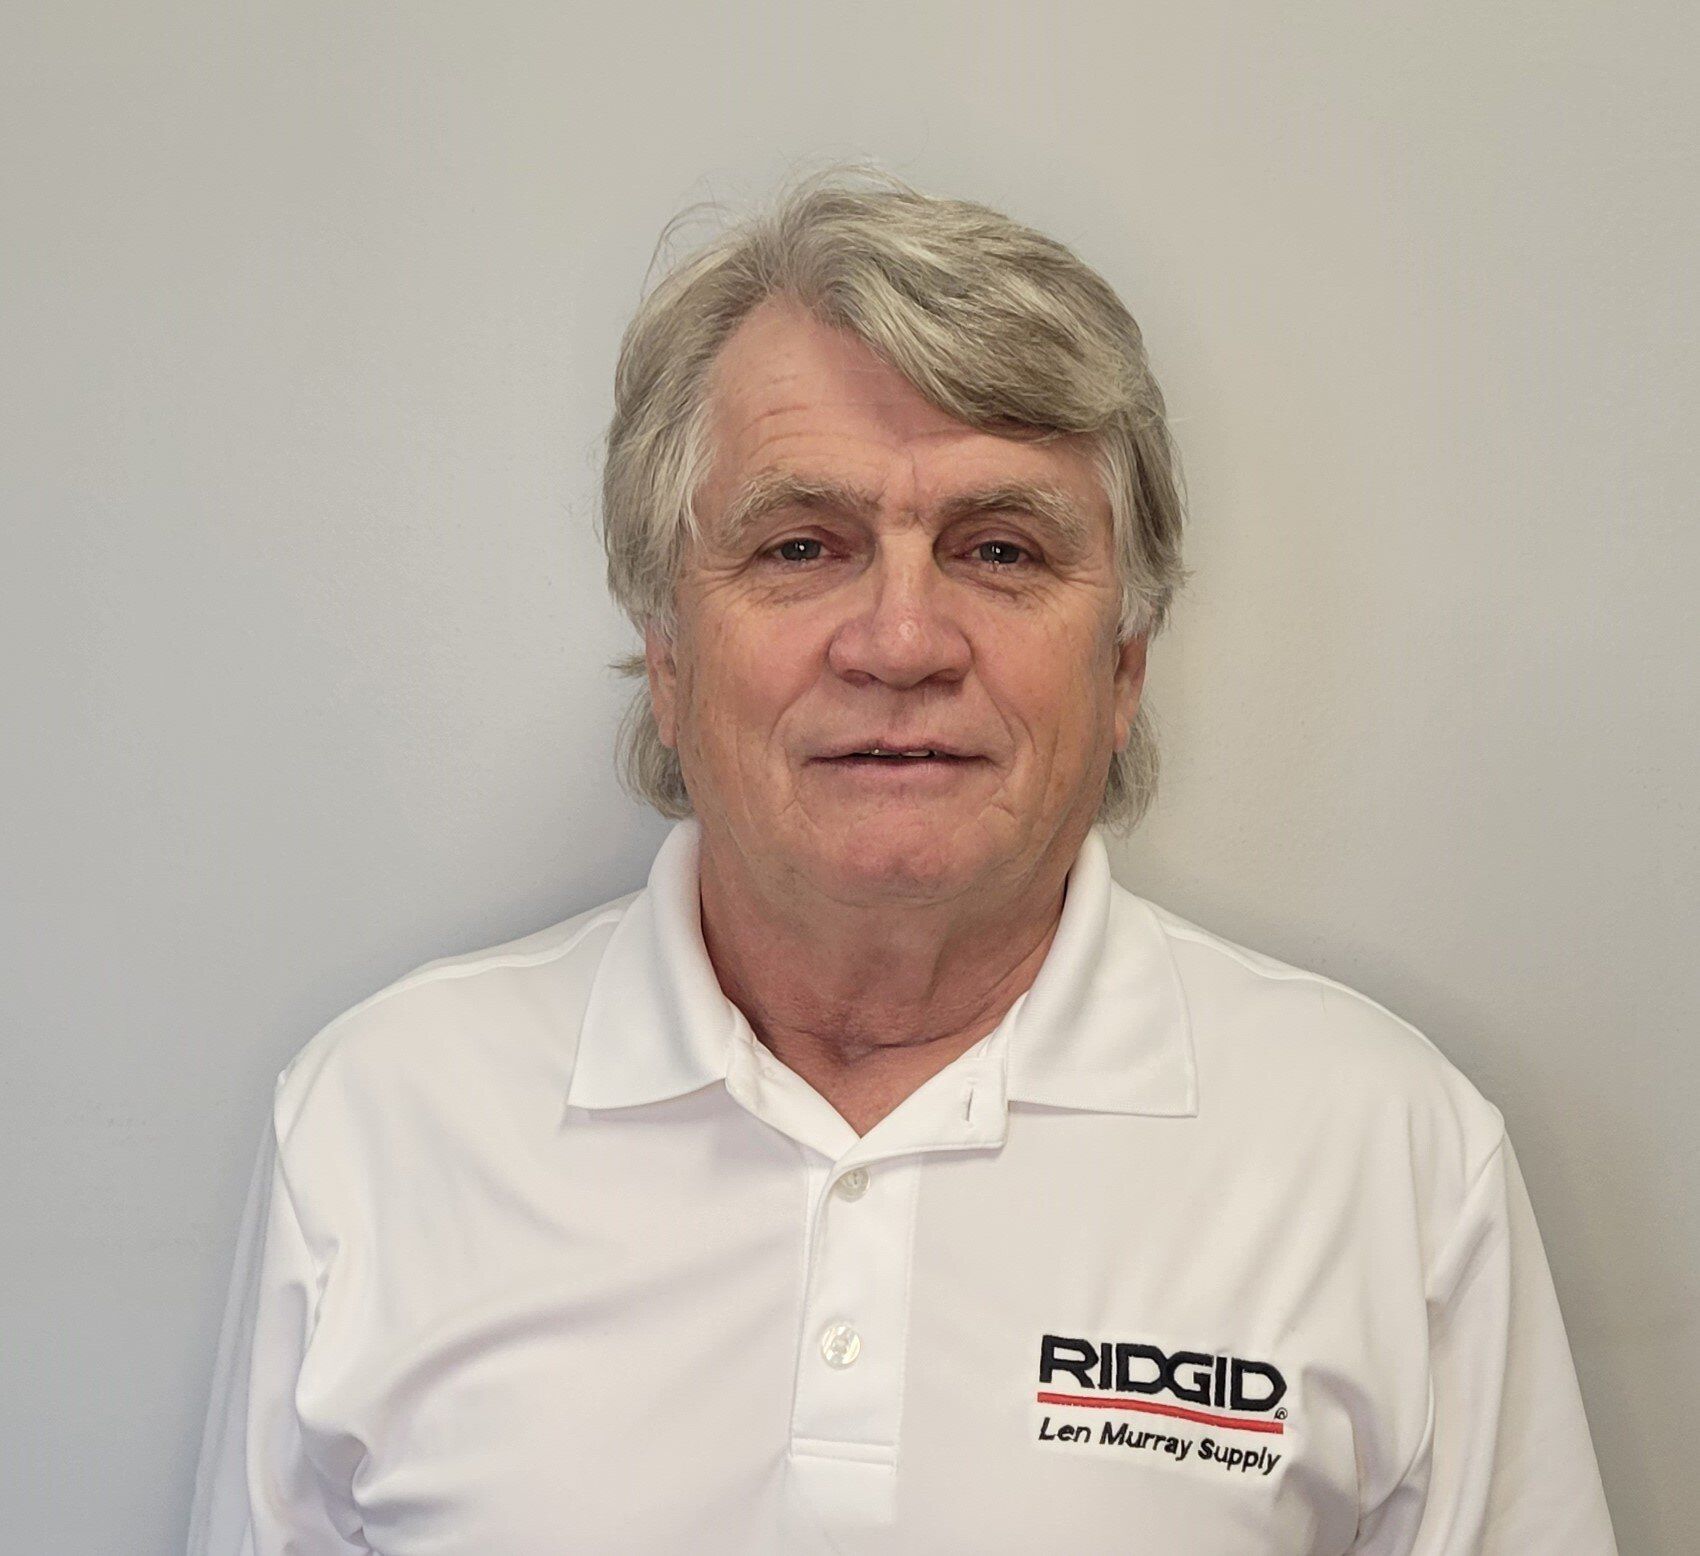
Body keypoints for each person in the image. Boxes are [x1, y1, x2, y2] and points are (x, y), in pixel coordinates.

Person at [186, 166, 1617, 1554]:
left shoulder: (1384, 1158)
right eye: (802, 546)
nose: (903, 642)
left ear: (1124, 664)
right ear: (668, 658)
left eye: (1001, 551)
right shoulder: (381, 1128)